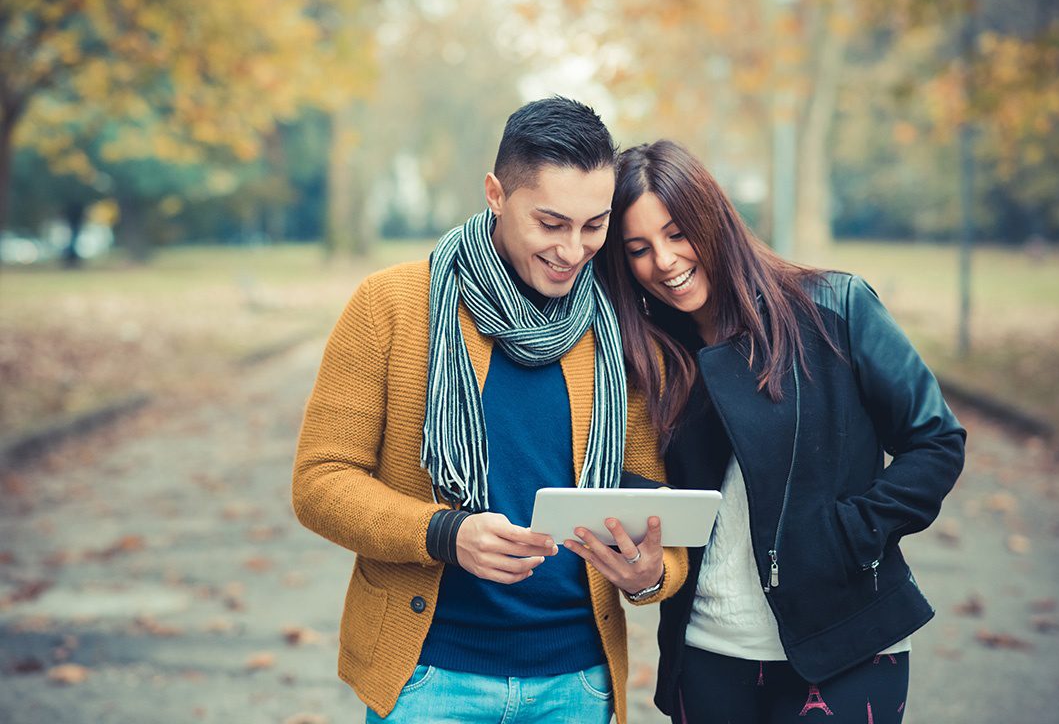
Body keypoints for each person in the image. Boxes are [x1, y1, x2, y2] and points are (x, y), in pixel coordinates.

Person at [292, 98, 688, 724]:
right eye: (551, 223)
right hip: (428, 678)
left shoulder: (623, 332)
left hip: (577, 683)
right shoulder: (390, 306)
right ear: (496, 194)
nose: (574, 249)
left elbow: (652, 508)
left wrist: (646, 575)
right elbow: (320, 482)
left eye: (594, 225)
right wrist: (445, 535)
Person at [596, 140, 966, 724]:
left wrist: (852, 533)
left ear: (713, 221)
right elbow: (646, 498)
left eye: (676, 233)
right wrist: (643, 573)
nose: (663, 261)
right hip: (709, 650)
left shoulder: (836, 308)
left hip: (848, 647)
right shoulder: (647, 361)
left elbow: (936, 440)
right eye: (638, 249)